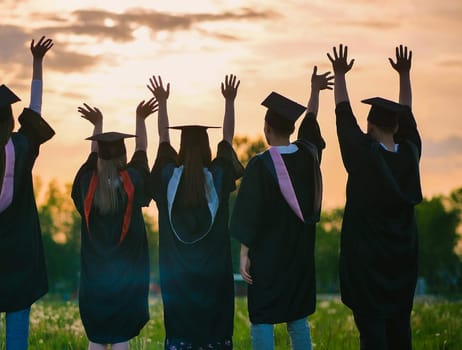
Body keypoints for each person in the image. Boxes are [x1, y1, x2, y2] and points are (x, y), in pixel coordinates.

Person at [327, 44, 422, 350]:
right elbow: (408, 117)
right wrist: (405, 75)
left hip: (368, 272)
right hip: (402, 268)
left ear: (369, 126)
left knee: (373, 339)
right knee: (400, 335)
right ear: (396, 126)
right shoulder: (410, 155)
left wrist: (340, 75)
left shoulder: (364, 158)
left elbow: (343, 116)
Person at [229, 67, 331, 349]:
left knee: (262, 316)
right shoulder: (308, 156)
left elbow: (250, 212)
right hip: (298, 256)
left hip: (267, 257)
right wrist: (314, 91)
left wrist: (244, 252)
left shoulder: (261, 165)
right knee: (297, 317)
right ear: (292, 129)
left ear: (267, 130)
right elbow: (311, 124)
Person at [0, 36, 55, 349]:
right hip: (20, 259)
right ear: (10, 122)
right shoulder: (21, 148)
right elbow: (35, 110)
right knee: (17, 337)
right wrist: (37, 62)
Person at [147, 74, 243, 349]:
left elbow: (162, 143)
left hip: (178, 284)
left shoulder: (167, 179)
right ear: (206, 147)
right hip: (214, 283)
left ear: (181, 147)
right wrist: (229, 102)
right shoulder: (219, 176)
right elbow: (227, 141)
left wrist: (162, 103)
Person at [71, 98, 158, 350]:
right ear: (124, 155)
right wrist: (140, 120)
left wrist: (97, 127)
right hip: (126, 282)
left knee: (96, 339)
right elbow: (142, 152)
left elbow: (91, 161)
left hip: (93, 283)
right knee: (121, 338)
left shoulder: (86, 183)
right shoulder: (133, 181)